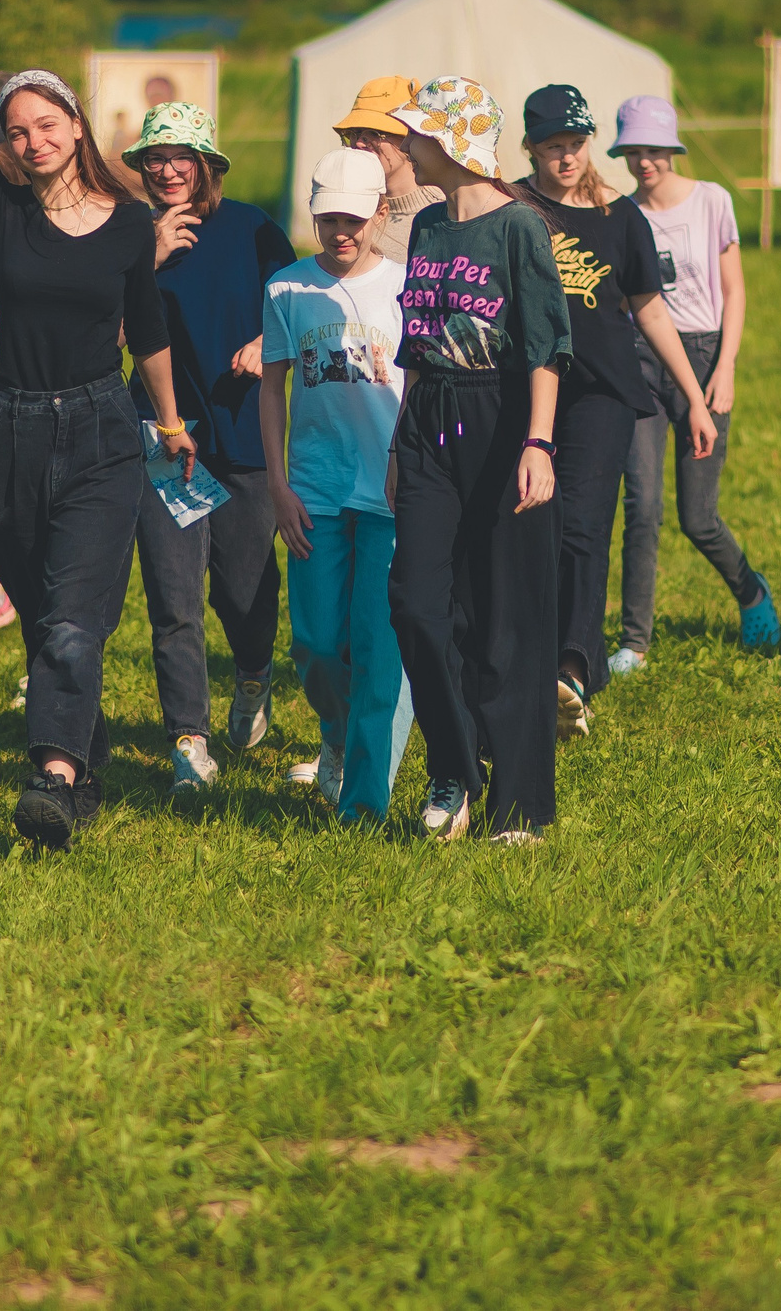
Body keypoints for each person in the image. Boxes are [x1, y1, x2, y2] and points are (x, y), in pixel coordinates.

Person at [0, 0, 198, 848]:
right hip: (10, 430)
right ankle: (80, 764)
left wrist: (167, 421)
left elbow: (151, 327)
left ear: (77, 127)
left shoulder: (130, 223)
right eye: (17, 129)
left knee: (78, 621)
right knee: (45, 620)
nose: (30, 139)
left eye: (46, 124)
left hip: (100, 428)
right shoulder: (1, 210)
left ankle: (48, 774)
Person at [384, 76, 571, 844]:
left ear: (455, 142)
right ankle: (456, 772)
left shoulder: (520, 228)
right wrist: (401, 440)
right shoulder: (427, 226)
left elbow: (546, 345)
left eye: (418, 133)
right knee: (416, 602)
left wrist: (539, 442)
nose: (406, 144)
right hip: (430, 423)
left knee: (507, 620)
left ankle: (519, 805)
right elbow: (416, 349)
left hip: (502, 419)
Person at [513, 84, 716, 742]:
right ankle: (523, 656)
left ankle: (572, 667)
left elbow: (649, 308)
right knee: (528, 525)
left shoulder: (619, 215)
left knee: (584, 527)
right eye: (552, 146)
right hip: (522, 392)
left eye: (574, 143)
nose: (565, 157)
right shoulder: (512, 208)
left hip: (600, 393)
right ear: (532, 148)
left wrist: (692, 395)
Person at [123, 101, 297, 792]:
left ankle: (253, 677)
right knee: (174, 596)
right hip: (168, 438)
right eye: (155, 159)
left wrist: (266, 341)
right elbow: (100, 334)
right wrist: (148, 258)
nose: (167, 170)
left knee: (246, 590)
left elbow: (297, 307)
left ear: (206, 164)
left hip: (247, 433)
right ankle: (187, 741)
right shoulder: (127, 236)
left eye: (180, 157)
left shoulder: (254, 229)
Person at [260, 149, 414, 818]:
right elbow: (272, 387)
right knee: (318, 645)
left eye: (354, 217)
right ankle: (336, 738)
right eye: (328, 219)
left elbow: (421, 390)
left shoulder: (406, 287)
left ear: (382, 211)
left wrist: (409, 469)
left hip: (388, 493)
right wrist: (277, 483)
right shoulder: (287, 288)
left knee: (378, 650)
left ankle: (362, 805)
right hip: (313, 493)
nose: (342, 232)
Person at [607, 95, 778, 675]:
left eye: (654, 149)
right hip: (642, 360)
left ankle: (751, 592)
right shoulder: (622, 214)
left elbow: (736, 290)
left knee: (698, 517)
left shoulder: (713, 202)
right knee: (643, 507)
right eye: (633, 151)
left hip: (704, 358)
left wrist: (725, 368)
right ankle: (634, 642)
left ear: (673, 150)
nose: (644, 161)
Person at [335, 75, 445, 265]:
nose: (360, 142)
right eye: (354, 133)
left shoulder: (446, 209)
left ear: (409, 137)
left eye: (375, 133)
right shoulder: (345, 210)